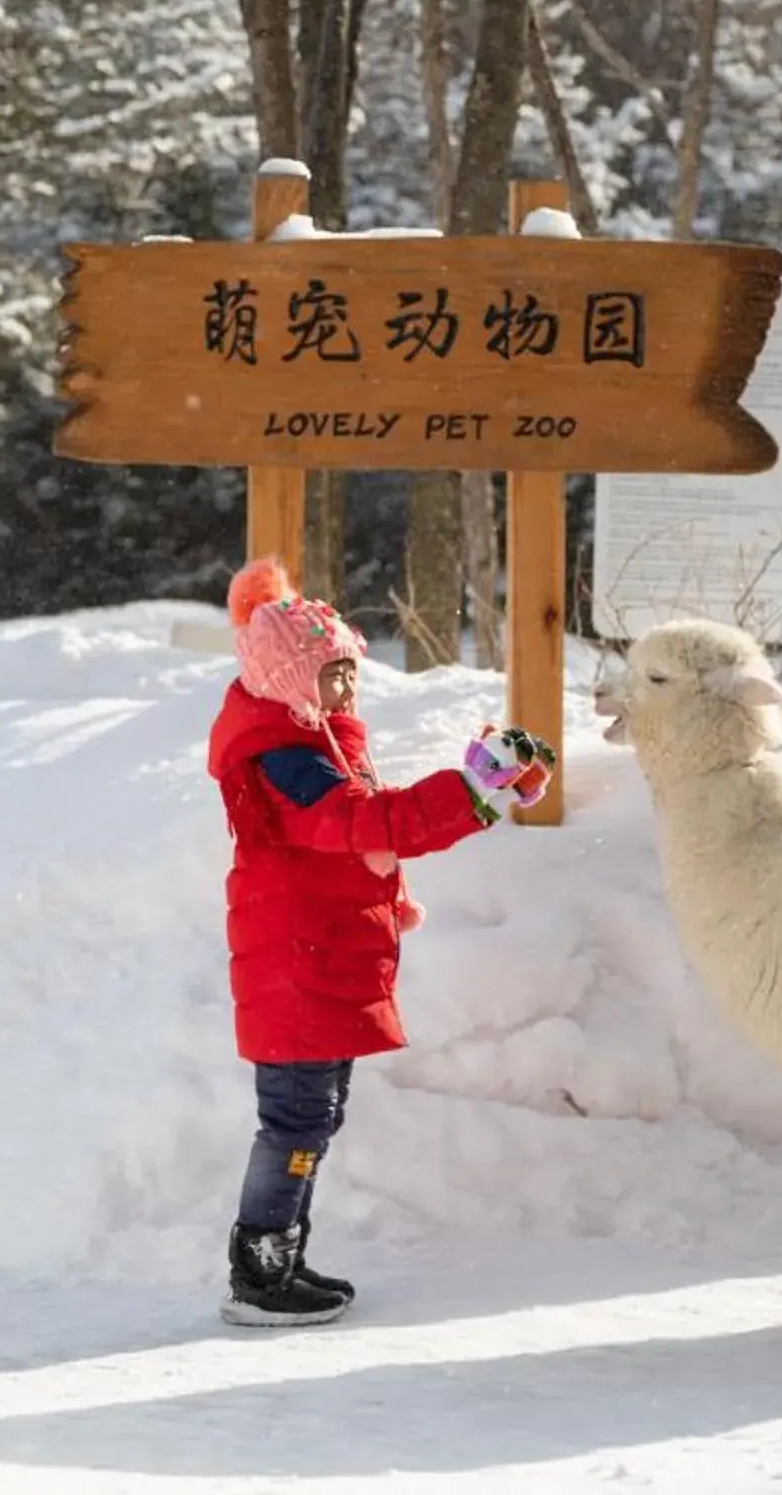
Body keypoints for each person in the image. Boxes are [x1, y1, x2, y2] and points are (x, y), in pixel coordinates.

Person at [206, 556, 552, 1326]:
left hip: (316, 962)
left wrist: (482, 794)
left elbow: (372, 824)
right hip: (296, 970)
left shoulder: (311, 742)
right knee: (295, 1124)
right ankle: (261, 1269)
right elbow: (367, 824)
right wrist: (469, 790)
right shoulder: (286, 760)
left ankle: (277, 1258)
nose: (348, 687)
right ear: (291, 679)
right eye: (332, 675)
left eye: (349, 672)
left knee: (311, 1120)